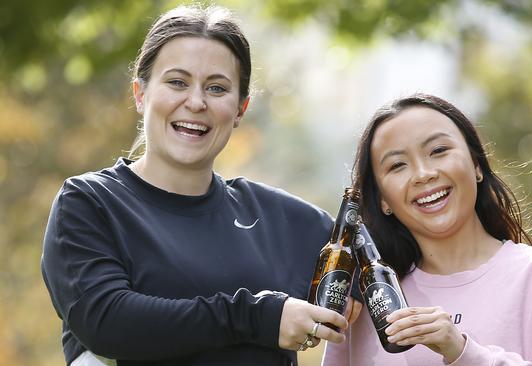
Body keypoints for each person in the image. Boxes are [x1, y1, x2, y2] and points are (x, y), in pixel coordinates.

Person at [41, 4, 350, 366]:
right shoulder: (90, 203)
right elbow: (107, 321)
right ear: (140, 94)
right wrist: (259, 317)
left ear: (240, 109)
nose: (196, 102)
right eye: (177, 82)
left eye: (217, 88)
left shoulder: (283, 219)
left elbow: (391, 272)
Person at [323, 93, 532, 365]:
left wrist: (462, 351)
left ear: (476, 164)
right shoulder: (363, 300)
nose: (423, 174)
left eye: (438, 151)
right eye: (397, 165)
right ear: (383, 200)